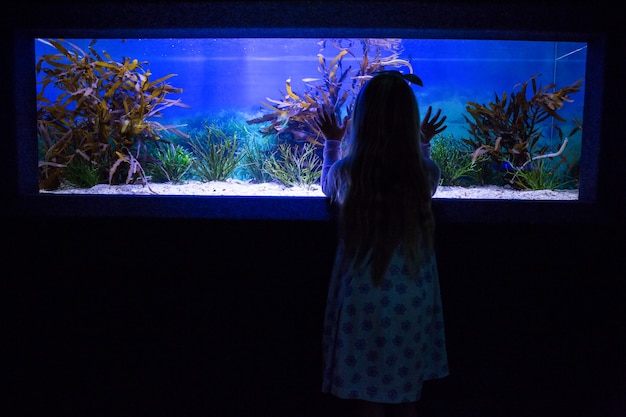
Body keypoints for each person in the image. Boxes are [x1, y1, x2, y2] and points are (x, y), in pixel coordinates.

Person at [313, 71, 449, 417]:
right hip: (411, 301)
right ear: (411, 120)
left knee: (367, 397)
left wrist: (332, 140)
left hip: (364, 299)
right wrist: (422, 143)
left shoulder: (348, 172)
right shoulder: (426, 173)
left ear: (361, 119)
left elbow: (327, 186)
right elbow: (422, 172)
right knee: (407, 398)